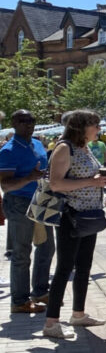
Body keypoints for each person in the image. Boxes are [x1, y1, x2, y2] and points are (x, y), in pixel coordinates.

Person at [44, 109, 106, 339]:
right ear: (81, 127)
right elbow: (56, 184)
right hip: (70, 217)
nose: (99, 129)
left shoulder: (85, 148)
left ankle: (78, 314)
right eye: (95, 125)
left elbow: (86, 180)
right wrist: (91, 182)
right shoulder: (64, 148)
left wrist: (98, 187)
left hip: (88, 215)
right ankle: (51, 322)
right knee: (64, 268)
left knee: (84, 267)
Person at [0, 109, 54, 314]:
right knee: (22, 253)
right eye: (23, 121)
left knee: (47, 247)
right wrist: (29, 178)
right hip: (19, 202)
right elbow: (5, 185)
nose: (28, 124)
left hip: (41, 200)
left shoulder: (38, 144)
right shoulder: (8, 150)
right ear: (14, 124)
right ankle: (19, 301)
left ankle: (40, 291)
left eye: (31, 120)